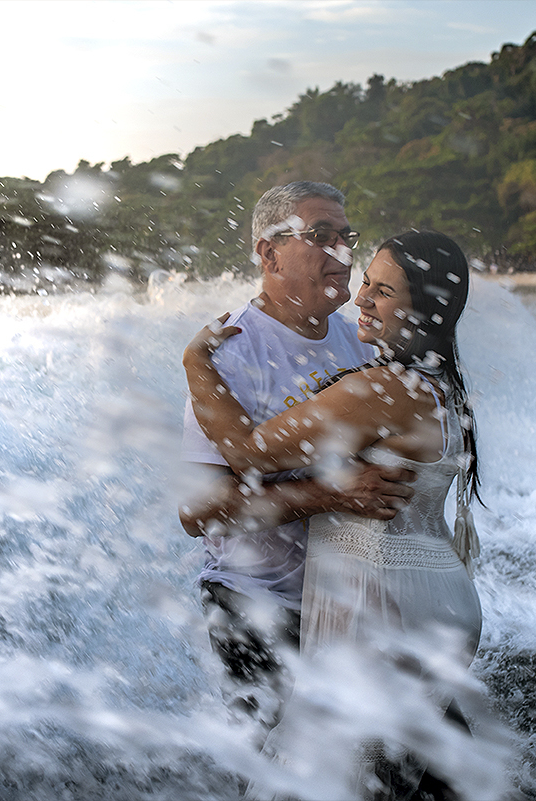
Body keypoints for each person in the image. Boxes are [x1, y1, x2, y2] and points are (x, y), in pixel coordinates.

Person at [185, 230, 483, 799]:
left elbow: (247, 451)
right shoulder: (442, 382)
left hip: (383, 602)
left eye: (384, 291)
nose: (361, 300)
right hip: (438, 594)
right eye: (366, 283)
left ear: (425, 309)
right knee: (386, 774)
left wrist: (196, 362)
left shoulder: (384, 389)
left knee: (328, 776)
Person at [178, 181, 416, 729]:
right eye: (320, 235)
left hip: (348, 596)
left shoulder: (359, 339)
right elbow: (198, 511)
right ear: (268, 251)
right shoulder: (230, 354)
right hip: (258, 604)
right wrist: (328, 494)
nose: (341, 250)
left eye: (345, 236)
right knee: (280, 773)